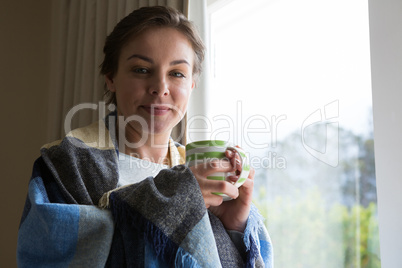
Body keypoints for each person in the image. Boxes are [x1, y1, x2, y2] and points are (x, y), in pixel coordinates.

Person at [17, 6, 273, 268]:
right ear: (111, 78)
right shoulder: (66, 164)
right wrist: (174, 201)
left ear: (191, 85)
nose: (160, 88)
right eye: (141, 69)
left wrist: (234, 227)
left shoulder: (199, 174)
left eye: (177, 73)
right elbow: (44, 257)